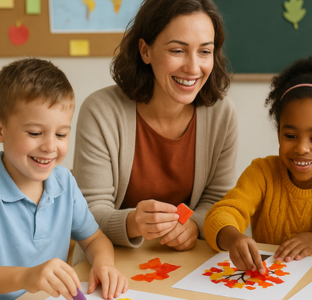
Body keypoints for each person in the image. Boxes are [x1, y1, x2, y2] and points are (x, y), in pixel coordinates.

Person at [72, 0, 237, 251]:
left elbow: (217, 199)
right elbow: (88, 213)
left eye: (205, 51)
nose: (193, 68)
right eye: (177, 50)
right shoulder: (100, 112)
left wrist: (194, 224)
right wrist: (132, 222)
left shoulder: (222, 115)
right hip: (112, 262)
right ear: (145, 51)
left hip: (187, 262)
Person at [204, 56, 312, 274]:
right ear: (279, 133)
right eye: (290, 135)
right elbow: (220, 215)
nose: (301, 148)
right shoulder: (262, 172)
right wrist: (234, 237)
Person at [0, 58, 127, 300]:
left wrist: (104, 265)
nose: (50, 146)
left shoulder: (64, 182)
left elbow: (93, 240)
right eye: (35, 133)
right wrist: (26, 278)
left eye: (61, 134)